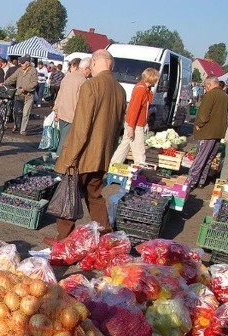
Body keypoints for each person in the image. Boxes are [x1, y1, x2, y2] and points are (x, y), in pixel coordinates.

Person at [44, 49, 126, 245]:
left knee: (69, 194)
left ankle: (63, 239)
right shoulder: (120, 90)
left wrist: (70, 157)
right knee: (94, 194)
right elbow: (119, 127)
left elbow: (81, 127)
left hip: (84, 153)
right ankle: (106, 235)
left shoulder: (91, 86)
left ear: (96, 63)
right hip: (103, 153)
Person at [110, 68, 159, 165]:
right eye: (155, 79)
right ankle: (140, 170)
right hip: (136, 124)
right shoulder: (141, 90)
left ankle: (113, 165)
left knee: (124, 146)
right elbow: (134, 110)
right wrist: (131, 127)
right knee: (139, 151)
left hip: (135, 123)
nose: (156, 82)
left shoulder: (144, 89)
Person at [187, 75, 228, 189]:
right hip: (218, 132)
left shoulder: (210, 95)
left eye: (206, 86)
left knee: (201, 157)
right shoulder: (225, 96)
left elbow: (203, 114)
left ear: (209, 84)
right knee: (209, 158)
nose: (205, 88)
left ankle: (191, 181)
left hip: (208, 131)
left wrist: (199, 124)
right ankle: (201, 181)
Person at [52, 57, 91, 155]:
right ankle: (59, 163)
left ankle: (58, 160)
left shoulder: (67, 76)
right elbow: (82, 102)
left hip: (62, 113)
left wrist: (56, 111)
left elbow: (59, 95)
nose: (90, 73)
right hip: (73, 116)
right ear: (86, 68)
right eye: (90, 70)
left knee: (62, 139)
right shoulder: (84, 81)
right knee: (65, 143)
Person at [2, 54, 37, 135]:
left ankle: (23, 130)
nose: (21, 64)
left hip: (29, 96)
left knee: (25, 113)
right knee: (16, 112)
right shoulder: (19, 70)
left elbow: (34, 83)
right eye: (20, 63)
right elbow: (12, 78)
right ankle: (17, 126)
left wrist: (25, 88)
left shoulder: (33, 71)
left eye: (22, 63)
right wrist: (4, 83)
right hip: (18, 95)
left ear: (27, 63)